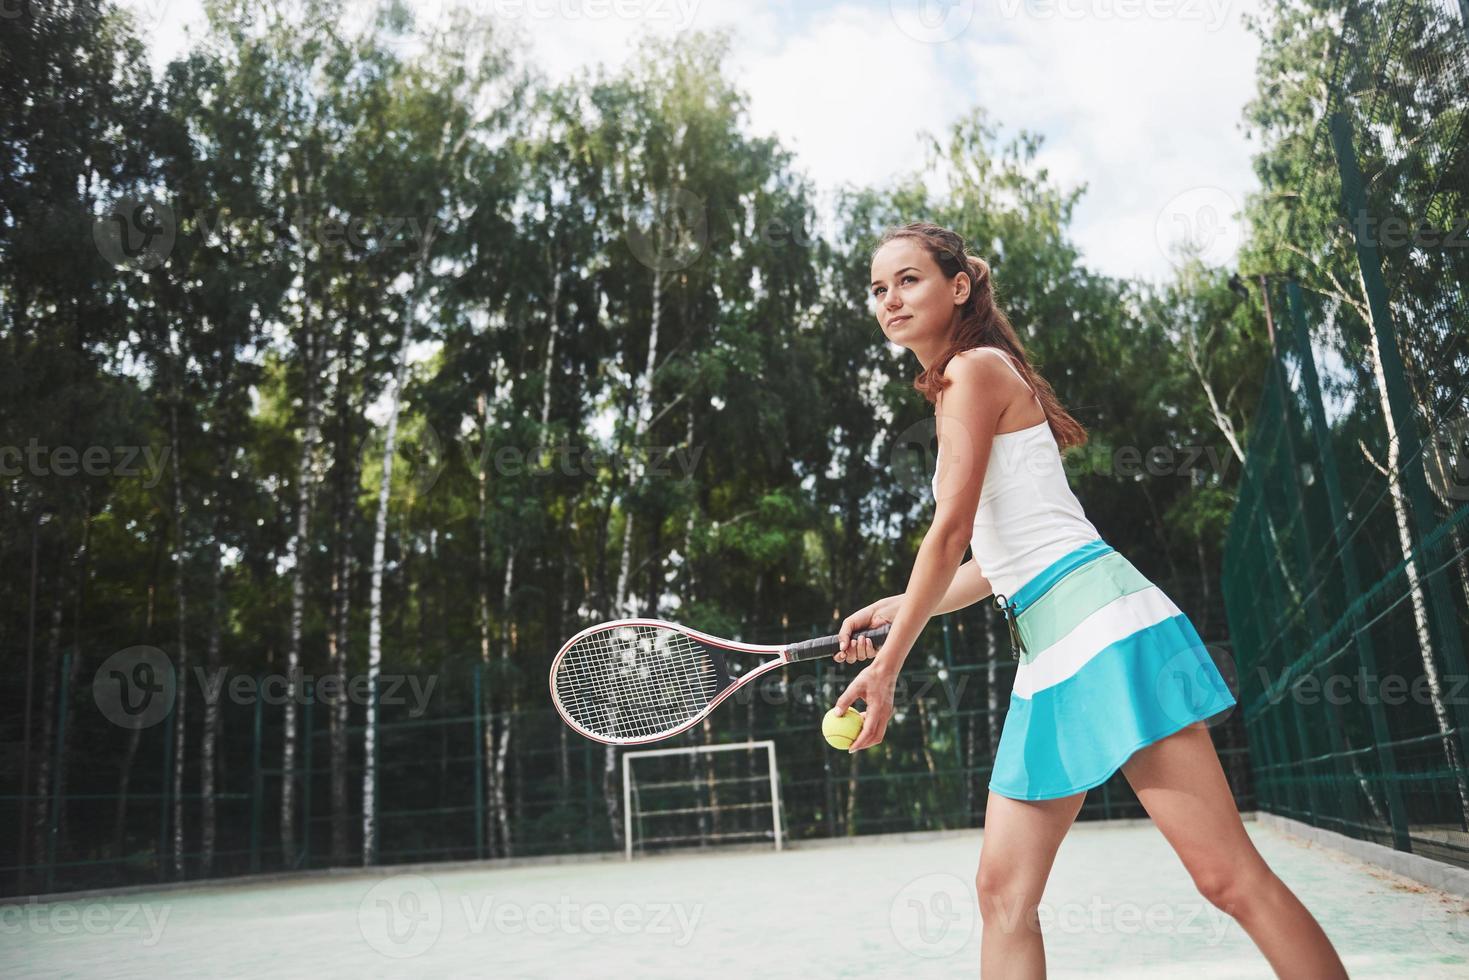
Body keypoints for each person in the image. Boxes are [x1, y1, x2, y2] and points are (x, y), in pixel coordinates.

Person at [831, 221, 1348, 978]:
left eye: (908, 279)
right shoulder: (957, 384)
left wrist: (887, 669)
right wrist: (898, 602)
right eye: (878, 289)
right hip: (1049, 647)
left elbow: (950, 537)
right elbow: (996, 562)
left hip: (1103, 628)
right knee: (1002, 892)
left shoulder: (973, 371)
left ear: (958, 286)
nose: (889, 299)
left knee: (1226, 878)